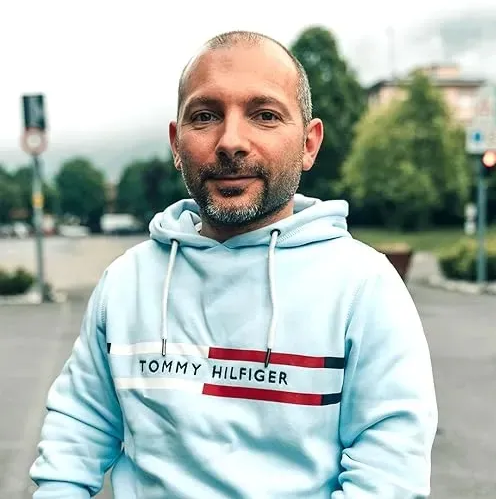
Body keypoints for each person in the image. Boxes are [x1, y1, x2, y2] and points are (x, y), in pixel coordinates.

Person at [30, 30, 438, 498]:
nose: (231, 142)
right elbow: (77, 431)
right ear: (176, 143)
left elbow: (388, 473)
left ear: (309, 144)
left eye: (265, 115)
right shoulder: (126, 282)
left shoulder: (363, 287)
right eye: (205, 116)